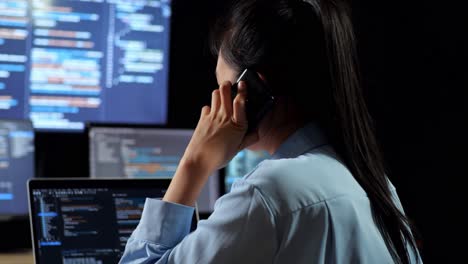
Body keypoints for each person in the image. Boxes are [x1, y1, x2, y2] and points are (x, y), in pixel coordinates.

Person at [120, 0, 422, 263]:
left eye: (222, 86)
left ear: (252, 89)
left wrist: (194, 164)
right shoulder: (376, 184)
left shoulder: (267, 194)